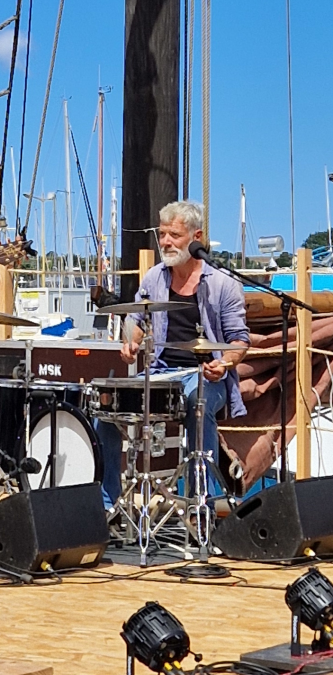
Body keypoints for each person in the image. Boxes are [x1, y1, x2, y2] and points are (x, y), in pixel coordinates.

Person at [97, 200, 249, 508]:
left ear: (197, 237)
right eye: (163, 234)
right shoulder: (155, 277)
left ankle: (201, 504)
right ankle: (107, 505)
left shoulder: (223, 284)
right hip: (163, 371)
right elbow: (137, 320)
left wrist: (224, 363)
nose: (166, 242)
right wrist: (131, 342)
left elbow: (239, 340)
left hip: (206, 375)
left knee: (198, 402)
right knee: (106, 407)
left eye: (174, 235)